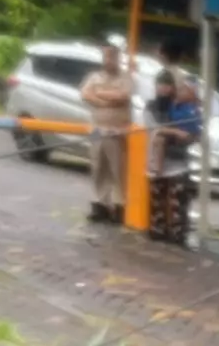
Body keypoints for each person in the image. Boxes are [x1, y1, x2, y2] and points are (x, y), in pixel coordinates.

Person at [143, 68, 200, 246]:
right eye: (160, 85)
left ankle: (178, 234)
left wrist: (187, 136)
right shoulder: (151, 106)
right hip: (157, 160)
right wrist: (175, 132)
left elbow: (193, 134)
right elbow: (154, 128)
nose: (163, 89)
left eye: (167, 85)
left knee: (179, 201)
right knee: (157, 199)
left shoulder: (182, 106)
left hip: (179, 160)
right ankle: (157, 229)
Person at [79, 44, 132, 224]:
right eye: (106, 57)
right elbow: (86, 94)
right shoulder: (94, 77)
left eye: (113, 57)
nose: (109, 61)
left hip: (116, 131)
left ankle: (119, 206)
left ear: (118, 59)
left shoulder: (126, 78)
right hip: (96, 129)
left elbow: (122, 96)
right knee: (97, 165)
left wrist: (100, 93)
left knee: (117, 168)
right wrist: (103, 100)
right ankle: (100, 203)